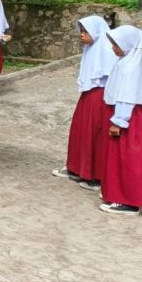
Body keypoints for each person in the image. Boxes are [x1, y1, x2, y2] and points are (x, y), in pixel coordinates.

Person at [52, 16, 116, 187]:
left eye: (86, 31)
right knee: (80, 130)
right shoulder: (91, 48)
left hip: (100, 97)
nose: (81, 35)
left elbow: (111, 76)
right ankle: (75, 168)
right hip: (89, 95)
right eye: (81, 31)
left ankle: (93, 175)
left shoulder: (106, 49)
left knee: (93, 134)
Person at [98, 25, 142, 214]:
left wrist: (118, 121)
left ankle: (128, 201)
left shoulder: (132, 67)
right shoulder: (128, 61)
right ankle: (122, 194)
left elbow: (127, 95)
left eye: (116, 44)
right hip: (132, 117)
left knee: (126, 159)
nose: (113, 48)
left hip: (129, 119)